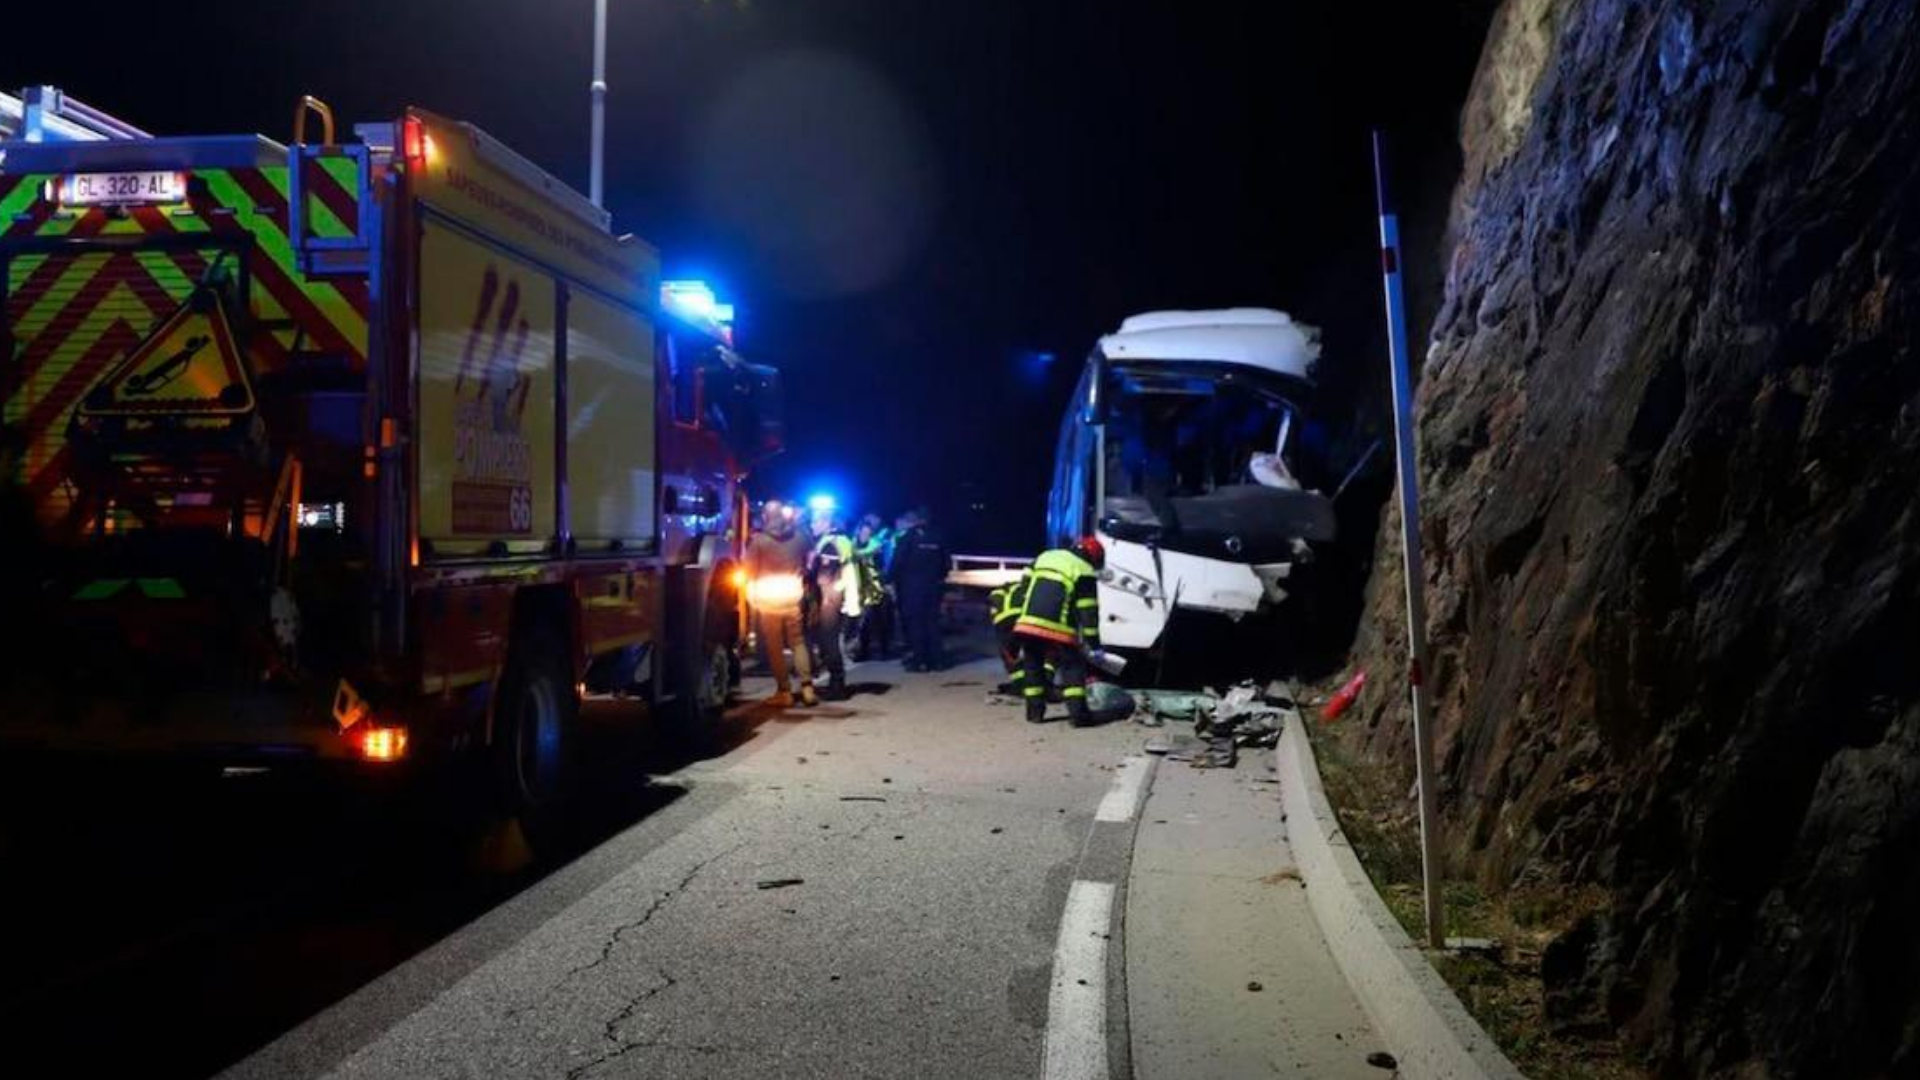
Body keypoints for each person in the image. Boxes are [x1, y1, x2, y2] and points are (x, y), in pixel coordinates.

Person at [1011, 535, 1104, 725]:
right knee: (1072, 667)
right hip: (1059, 626)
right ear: (1092, 557)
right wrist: (1094, 645)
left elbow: (1023, 589)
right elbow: (1088, 611)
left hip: (1028, 623)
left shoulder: (1045, 556)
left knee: (1032, 666)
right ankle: (1079, 716)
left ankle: (1034, 714)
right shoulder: (1083, 570)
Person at [744, 499, 816, 707]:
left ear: (766, 517)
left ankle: (784, 692)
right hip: (792, 596)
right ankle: (807, 687)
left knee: (775, 646)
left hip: (768, 600)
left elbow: (749, 572)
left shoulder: (759, 541)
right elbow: (811, 556)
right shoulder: (799, 536)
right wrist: (803, 570)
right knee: (797, 642)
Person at [807, 509, 862, 699]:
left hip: (830, 597)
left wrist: (810, 567)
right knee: (829, 641)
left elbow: (825, 575)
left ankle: (837, 686)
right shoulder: (842, 540)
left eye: (815, 522)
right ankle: (836, 682)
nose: (812, 525)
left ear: (826, 523)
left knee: (828, 641)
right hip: (838, 595)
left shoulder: (830, 544)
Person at [890, 507, 949, 671]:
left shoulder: (907, 538)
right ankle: (938, 661)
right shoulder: (939, 537)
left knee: (915, 624)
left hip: (911, 588)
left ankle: (920, 660)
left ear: (913, 521)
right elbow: (946, 565)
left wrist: (888, 579)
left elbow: (897, 563)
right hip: (933, 587)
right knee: (932, 623)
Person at [852, 514, 896, 661]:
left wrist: (886, 583)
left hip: (876, 586)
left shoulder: (877, 546)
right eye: (863, 532)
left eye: (868, 533)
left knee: (879, 620)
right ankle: (863, 650)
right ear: (858, 531)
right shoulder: (852, 545)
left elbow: (884, 566)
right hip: (858, 587)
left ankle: (884, 649)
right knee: (863, 622)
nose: (865, 535)